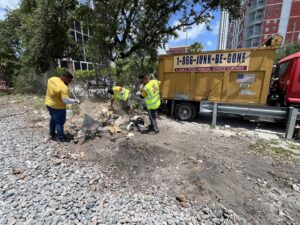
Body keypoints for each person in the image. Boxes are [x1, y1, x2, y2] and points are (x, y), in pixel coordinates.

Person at [45, 72, 80, 142]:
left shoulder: (52, 79)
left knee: (53, 119)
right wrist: (75, 101)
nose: (69, 82)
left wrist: (65, 84)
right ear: (65, 78)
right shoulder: (64, 88)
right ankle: (60, 138)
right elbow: (65, 100)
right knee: (59, 123)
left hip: (48, 104)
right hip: (58, 107)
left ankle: (51, 134)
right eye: (69, 80)